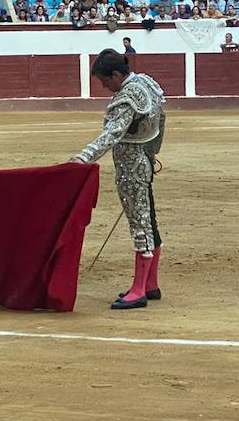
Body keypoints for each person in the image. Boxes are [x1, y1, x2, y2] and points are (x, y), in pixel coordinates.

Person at [69, 49, 166, 310]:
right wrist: (152, 151)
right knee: (149, 220)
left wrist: (82, 158)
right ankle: (150, 283)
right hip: (143, 159)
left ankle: (138, 291)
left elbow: (111, 134)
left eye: (104, 81)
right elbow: (162, 121)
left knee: (140, 224)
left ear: (115, 74)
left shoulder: (125, 99)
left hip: (131, 167)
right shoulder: (146, 83)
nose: (103, 86)